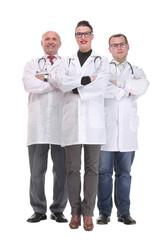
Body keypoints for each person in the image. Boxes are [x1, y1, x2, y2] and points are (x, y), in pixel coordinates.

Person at [49, 20, 109, 231]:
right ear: (75, 37)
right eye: (78, 34)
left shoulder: (102, 61)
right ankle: (74, 212)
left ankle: (88, 213)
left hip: (94, 124)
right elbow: (60, 82)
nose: (82, 37)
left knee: (92, 169)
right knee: (72, 169)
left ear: (92, 36)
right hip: (72, 123)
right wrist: (85, 80)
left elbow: (101, 85)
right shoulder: (65, 61)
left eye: (86, 33)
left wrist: (74, 86)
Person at [97, 34, 149, 225]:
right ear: (109, 49)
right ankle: (103, 212)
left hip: (128, 131)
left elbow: (143, 86)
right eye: (114, 45)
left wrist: (118, 84)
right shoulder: (102, 70)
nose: (119, 48)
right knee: (103, 174)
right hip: (105, 131)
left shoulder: (137, 70)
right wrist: (127, 90)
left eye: (122, 45)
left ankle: (124, 212)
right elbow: (100, 89)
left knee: (124, 174)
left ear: (128, 47)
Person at [22, 31, 68, 223]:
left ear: (60, 43)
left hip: (62, 126)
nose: (50, 42)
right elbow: (28, 84)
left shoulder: (67, 64)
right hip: (37, 126)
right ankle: (38, 209)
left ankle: (58, 209)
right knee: (36, 171)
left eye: (54, 39)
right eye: (47, 39)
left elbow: (67, 83)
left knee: (62, 171)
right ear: (42, 43)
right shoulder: (32, 63)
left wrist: (44, 78)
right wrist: (53, 81)